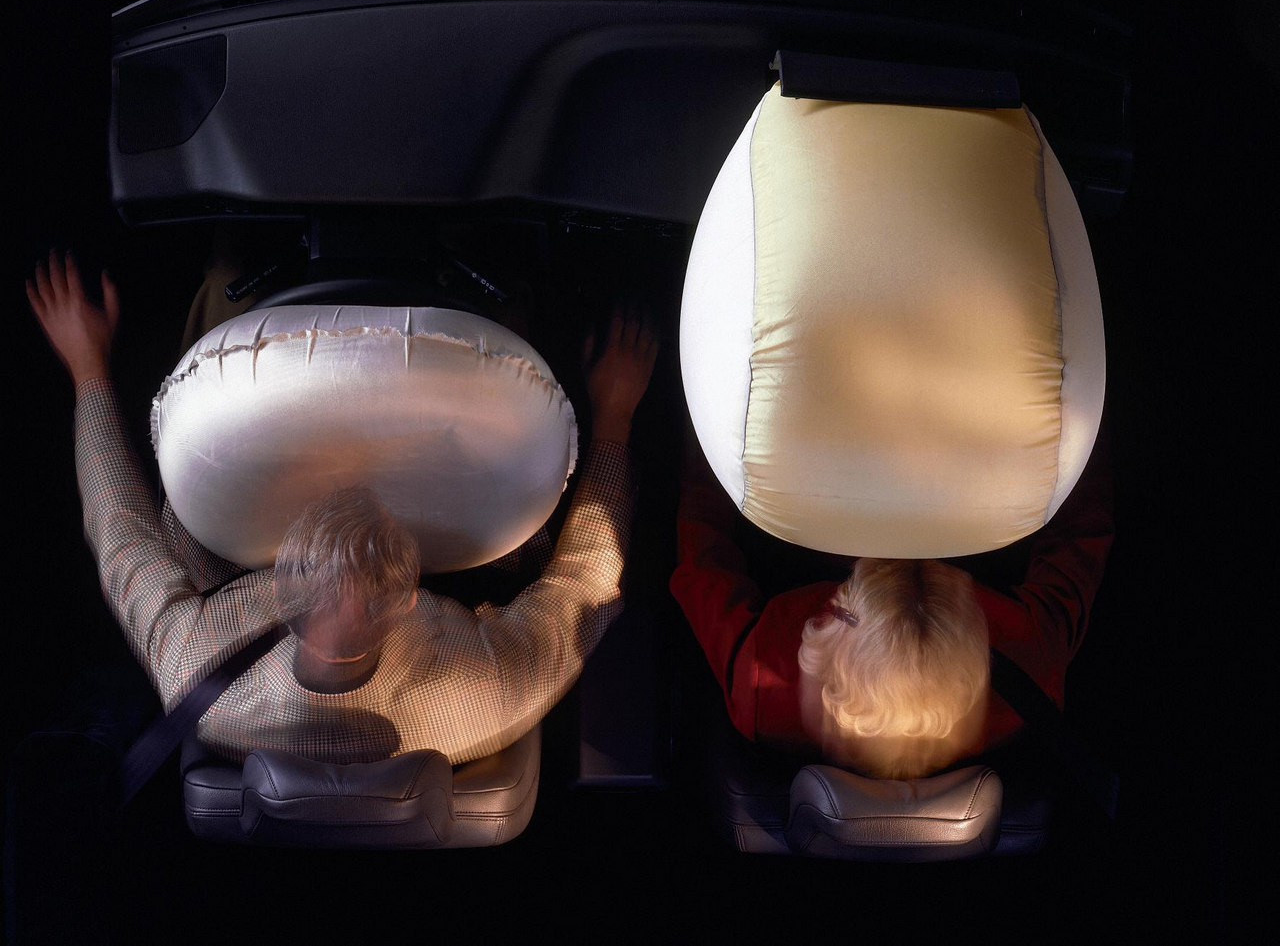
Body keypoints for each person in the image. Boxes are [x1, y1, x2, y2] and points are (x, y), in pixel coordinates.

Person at [25, 247, 659, 765]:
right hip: (459, 425)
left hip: (257, 450)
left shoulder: (198, 671)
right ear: (409, 600)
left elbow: (121, 532)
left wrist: (87, 368)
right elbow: (587, 582)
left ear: (278, 584)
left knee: (226, 278)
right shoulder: (483, 690)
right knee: (508, 304)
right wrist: (616, 415)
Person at [670, 423, 1114, 780]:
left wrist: (706, 432)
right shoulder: (1030, 664)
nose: (904, 555)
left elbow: (702, 561)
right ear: (981, 637)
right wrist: (1079, 425)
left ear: (830, 637)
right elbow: (1081, 532)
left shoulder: (762, 680)